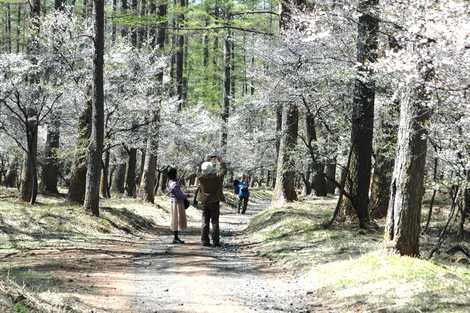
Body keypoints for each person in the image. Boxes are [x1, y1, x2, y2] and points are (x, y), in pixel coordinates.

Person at [196, 155, 226, 247]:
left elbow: (199, 170)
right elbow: (224, 171)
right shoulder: (217, 177)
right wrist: (221, 161)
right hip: (214, 200)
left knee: (205, 221)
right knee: (215, 221)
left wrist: (206, 161)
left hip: (204, 201)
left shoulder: (201, 177)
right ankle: (216, 241)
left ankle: (205, 240)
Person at [167, 167, 188, 244]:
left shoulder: (171, 182)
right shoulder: (174, 183)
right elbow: (178, 194)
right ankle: (175, 238)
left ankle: (176, 237)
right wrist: (185, 196)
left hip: (175, 202)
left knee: (175, 219)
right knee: (176, 219)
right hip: (177, 203)